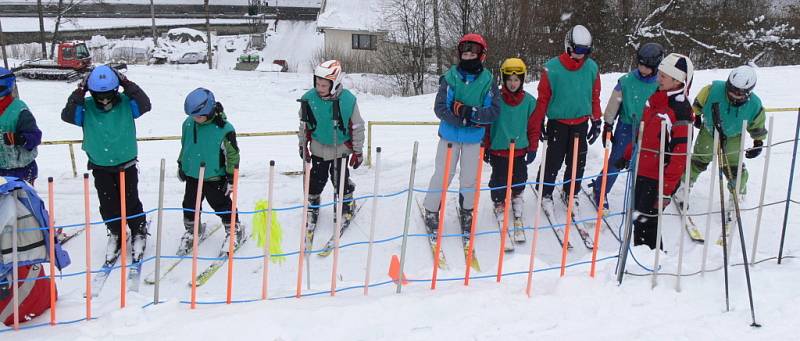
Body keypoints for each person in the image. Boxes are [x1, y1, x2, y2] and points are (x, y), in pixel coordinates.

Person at [60, 65, 151, 265]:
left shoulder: (128, 103)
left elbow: (145, 105)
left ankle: (138, 228)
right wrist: (79, 90)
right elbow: (67, 115)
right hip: (100, 165)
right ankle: (116, 231)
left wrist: (126, 83)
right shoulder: (85, 107)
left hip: (126, 163)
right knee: (108, 204)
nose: (103, 100)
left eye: (108, 95)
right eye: (99, 96)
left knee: (130, 200)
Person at [422, 33, 500, 239]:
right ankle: (431, 209)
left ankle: (467, 210)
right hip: (450, 136)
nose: (468, 54)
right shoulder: (451, 77)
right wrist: (461, 119)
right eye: (465, 50)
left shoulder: (487, 81)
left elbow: (493, 111)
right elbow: (441, 108)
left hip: (473, 139)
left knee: (469, 178)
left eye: (473, 51)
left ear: (481, 55)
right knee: (443, 174)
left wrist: (471, 114)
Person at [615, 53, 694, 249]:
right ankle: (645, 259)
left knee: (646, 222)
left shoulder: (681, 110)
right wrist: (626, 156)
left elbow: (679, 157)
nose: (658, 78)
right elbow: (641, 133)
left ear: (677, 80)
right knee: (639, 221)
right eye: (659, 73)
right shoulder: (654, 99)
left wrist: (665, 192)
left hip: (658, 177)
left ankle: (649, 263)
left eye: (664, 76)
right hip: (642, 170)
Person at [530, 24, 601, 216]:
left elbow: (594, 96)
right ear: (568, 46)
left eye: (586, 51)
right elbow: (543, 98)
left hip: (580, 123)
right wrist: (538, 124)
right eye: (578, 50)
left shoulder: (591, 68)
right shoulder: (552, 68)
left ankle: (571, 192)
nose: (582, 55)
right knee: (554, 160)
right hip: (558, 124)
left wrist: (596, 120)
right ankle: (545, 191)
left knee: (577, 161)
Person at [675, 65, 767, 206]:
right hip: (709, 131)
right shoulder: (712, 90)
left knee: (734, 168)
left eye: (739, 93)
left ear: (748, 92)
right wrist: (697, 117)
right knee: (698, 161)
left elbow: (757, 124)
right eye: (732, 90)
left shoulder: (754, 104)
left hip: (734, 137)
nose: (734, 95)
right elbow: (697, 104)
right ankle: (683, 186)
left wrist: (758, 142)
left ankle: (737, 193)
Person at [588, 43, 663, 209]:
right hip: (626, 127)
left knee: (645, 164)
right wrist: (608, 124)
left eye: (647, 67)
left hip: (649, 129)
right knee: (617, 161)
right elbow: (614, 103)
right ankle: (600, 189)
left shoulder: (660, 84)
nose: (642, 69)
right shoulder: (627, 81)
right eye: (640, 65)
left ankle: (644, 194)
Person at [298, 60, 365, 243]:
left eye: (324, 85)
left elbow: (357, 126)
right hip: (319, 147)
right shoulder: (309, 98)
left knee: (340, 179)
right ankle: (313, 201)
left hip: (340, 148)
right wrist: (303, 146)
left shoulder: (348, 101)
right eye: (317, 83)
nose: (319, 88)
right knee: (316, 179)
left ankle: (346, 200)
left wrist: (358, 152)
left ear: (334, 83)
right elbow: (304, 126)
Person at [178, 88, 243, 254]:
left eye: (198, 116)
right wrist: (182, 164)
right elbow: (185, 146)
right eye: (192, 115)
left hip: (215, 176)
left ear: (209, 110)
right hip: (193, 174)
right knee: (190, 205)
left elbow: (232, 155)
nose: (195, 119)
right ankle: (193, 230)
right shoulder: (189, 123)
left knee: (221, 204)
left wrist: (230, 178)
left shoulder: (224, 129)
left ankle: (234, 229)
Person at [483, 57, 536, 241]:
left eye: (516, 80)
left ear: (521, 80)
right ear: (503, 79)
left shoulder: (529, 101)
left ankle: (517, 196)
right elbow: (487, 124)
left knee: (520, 176)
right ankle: (498, 201)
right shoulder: (494, 100)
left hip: (520, 148)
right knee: (499, 178)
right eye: (509, 79)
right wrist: (485, 145)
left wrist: (533, 147)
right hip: (499, 148)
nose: (513, 83)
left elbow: (534, 126)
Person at [0, 68, 42, 185]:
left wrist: (19, 138)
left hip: (20, 171)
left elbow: (35, 136)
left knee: (19, 203)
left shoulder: (18, 109)